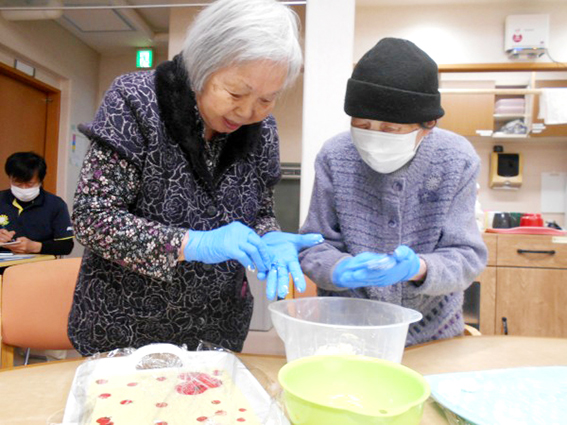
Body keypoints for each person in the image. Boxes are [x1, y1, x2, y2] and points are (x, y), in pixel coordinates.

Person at [69, 0, 322, 356]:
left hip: (216, 329)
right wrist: (193, 244)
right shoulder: (136, 101)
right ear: (202, 66)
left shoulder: (262, 131)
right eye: (236, 93)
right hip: (122, 325)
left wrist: (271, 236)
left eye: (267, 99)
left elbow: (258, 212)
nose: (249, 112)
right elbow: (92, 219)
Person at [299, 38, 488, 345]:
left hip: (433, 334)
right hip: (348, 332)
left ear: (427, 125)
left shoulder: (456, 159)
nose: (373, 137)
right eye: (362, 124)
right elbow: (313, 245)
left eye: (389, 130)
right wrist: (337, 268)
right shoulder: (335, 156)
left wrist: (420, 269)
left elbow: (467, 257)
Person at [0, 151, 74, 256]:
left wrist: (35, 247)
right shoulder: (1, 199)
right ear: (10, 178)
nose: (23, 188)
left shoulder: (55, 205)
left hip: (39, 266)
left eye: (30, 184)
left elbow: (66, 246)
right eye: (18, 183)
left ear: (40, 180)